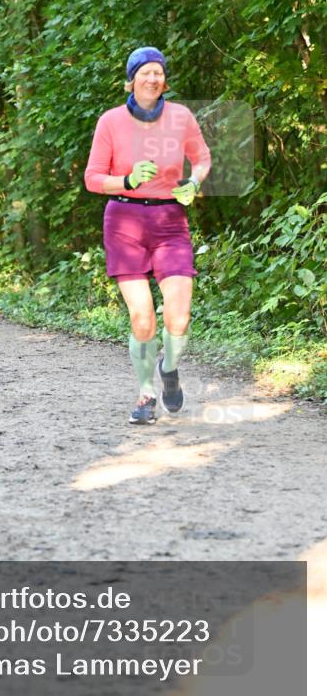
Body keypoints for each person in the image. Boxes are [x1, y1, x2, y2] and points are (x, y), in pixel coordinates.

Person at [85, 47, 211, 425]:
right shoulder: (110, 122)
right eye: (145, 73)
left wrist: (193, 181)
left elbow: (202, 158)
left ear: (164, 80)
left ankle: (168, 367)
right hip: (124, 221)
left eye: (158, 73)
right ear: (132, 79)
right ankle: (145, 394)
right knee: (142, 320)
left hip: (170, 221)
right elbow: (92, 178)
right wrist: (125, 180)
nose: (152, 79)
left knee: (180, 318)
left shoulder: (181, 117)